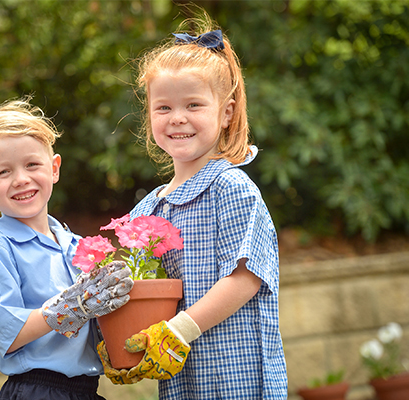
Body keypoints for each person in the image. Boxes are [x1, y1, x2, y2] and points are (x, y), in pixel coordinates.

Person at [99, 15, 288, 399]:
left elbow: (246, 278)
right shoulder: (150, 208)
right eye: (163, 107)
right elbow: (140, 290)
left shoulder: (230, 187)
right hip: (184, 382)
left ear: (227, 112)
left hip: (239, 377)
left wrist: (180, 329)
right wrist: (116, 339)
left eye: (193, 105)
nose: (177, 118)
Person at [0, 97, 134, 400]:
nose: (21, 179)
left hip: (84, 390)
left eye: (32, 164)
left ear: (54, 168)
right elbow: (8, 335)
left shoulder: (77, 245)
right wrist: (69, 306)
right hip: (36, 390)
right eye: (3, 172)